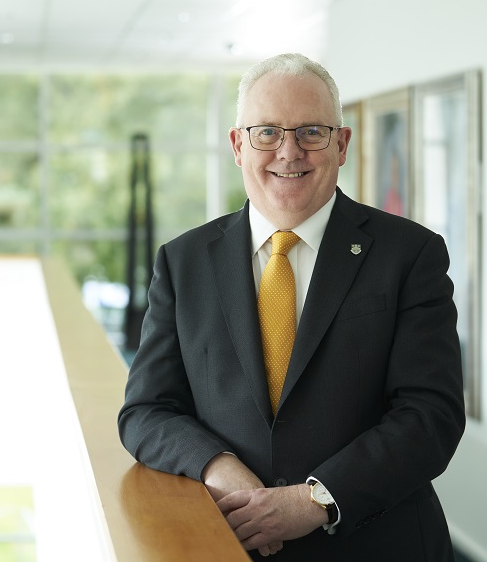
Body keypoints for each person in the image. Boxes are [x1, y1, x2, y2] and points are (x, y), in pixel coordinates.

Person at [118, 53, 465, 561]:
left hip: (376, 543)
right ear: (238, 145)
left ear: (341, 144)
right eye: (267, 133)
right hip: (228, 543)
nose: (288, 152)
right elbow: (146, 410)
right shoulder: (182, 261)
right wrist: (216, 464)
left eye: (311, 132)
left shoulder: (410, 255)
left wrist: (316, 498)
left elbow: (430, 414)